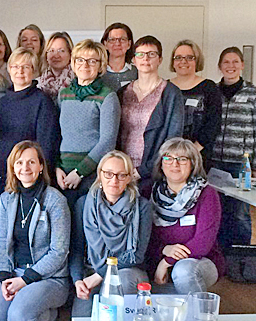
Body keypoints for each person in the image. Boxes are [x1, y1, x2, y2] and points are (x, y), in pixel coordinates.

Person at [0, 141, 70, 321]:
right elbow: (2, 241)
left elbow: (59, 252)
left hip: (50, 278)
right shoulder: (6, 199)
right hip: (15, 273)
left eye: (31, 162)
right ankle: (44, 314)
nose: (25, 168)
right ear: (13, 168)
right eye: (19, 162)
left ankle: (43, 313)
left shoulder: (55, 200)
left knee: (17, 314)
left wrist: (26, 280)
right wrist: (5, 276)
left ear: (41, 166)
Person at [71, 151, 153, 317]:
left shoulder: (142, 207)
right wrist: (78, 280)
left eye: (121, 175)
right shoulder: (84, 203)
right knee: (80, 317)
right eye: (108, 174)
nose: (114, 180)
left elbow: (136, 255)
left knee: (121, 287)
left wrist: (99, 275)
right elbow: (76, 248)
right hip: (91, 269)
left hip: (127, 270)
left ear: (129, 178)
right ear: (100, 174)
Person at [147, 138, 224, 294]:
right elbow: (143, 238)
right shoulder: (148, 192)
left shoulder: (207, 194)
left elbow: (203, 243)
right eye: (168, 158)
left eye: (182, 159)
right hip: (157, 257)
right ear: (161, 164)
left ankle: (198, 309)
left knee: (183, 271)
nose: (174, 164)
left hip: (199, 261)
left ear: (193, 164)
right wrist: (164, 249)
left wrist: (166, 262)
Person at [0, 47, 60, 209]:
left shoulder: (42, 102)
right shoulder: (2, 103)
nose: (20, 71)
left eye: (26, 67)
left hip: (27, 179)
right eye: (15, 66)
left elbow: (46, 146)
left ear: (34, 71)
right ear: (9, 69)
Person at [55, 39, 120, 210]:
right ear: (73, 63)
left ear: (101, 65)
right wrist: (56, 167)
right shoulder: (63, 94)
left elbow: (107, 142)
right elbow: (56, 134)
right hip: (62, 175)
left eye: (92, 61)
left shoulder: (108, 96)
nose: (85, 65)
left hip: (91, 175)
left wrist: (79, 172)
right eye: (80, 60)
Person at [117, 35, 184, 197]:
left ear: (160, 59)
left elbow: (173, 139)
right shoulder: (122, 93)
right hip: (121, 172)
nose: (145, 59)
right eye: (140, 54)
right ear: (133, 60)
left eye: (151, 54)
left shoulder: (171, 93)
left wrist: (143, 170)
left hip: (153, 173)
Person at [212, 47, 256, 249]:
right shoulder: (213, 92)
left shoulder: (252, 94)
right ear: (220, 66)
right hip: (214, 162)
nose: (231, 66)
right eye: (226, 62)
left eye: (235, 62)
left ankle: (241, 255)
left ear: (242, 65)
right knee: (217, 209)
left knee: (239, 212)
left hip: (241, 163)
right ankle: (219, 252)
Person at [169, 40, 222, 170]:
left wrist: (192, 150)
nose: (183, 61)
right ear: (173, 62)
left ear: (197, 61)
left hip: (199, 156)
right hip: (169, 157)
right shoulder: (165, 87)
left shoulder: (209, 88)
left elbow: (213, 123)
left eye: (189, 57)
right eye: (178, 57)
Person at [37, 31, 75, 100]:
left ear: (70, 54)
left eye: (61, 51)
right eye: (51, 50)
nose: (56, 55)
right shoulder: (38, 84)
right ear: (46, 55)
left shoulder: (78, 82)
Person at [100, 22, 138, 91]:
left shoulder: (137, 72)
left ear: (129, 44)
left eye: (122, 39)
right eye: (112, 40)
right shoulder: (98, 71)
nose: (117, 43)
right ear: (105, 44)